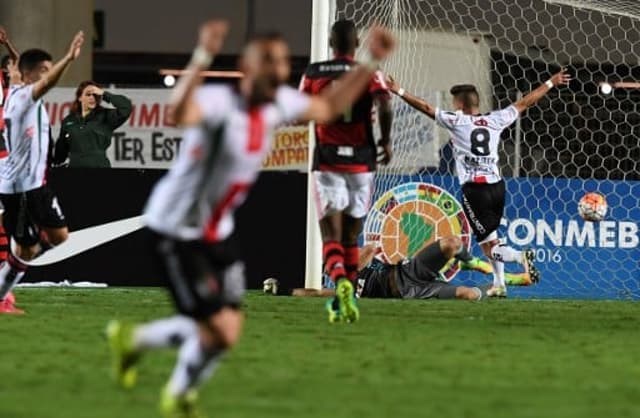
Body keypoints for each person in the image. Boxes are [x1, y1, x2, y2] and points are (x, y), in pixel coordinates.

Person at [105, 20, 395, 418]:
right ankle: (167, 383)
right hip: (175, 229)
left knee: (228, 331)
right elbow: (177, 112)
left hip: (217, 231)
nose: (276, 68)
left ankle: (144, 353)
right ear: (247, 65)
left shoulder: (279, 103)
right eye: (267, 60)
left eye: (280, 62)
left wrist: (371, 60)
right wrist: (203, 55)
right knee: (216, 328)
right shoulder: (218, 102)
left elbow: (327, 107)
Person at [385, 69, 571, 297]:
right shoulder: (496, 119)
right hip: (498, 187)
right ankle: (499, 284)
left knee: (488, 246)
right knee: (493, 237)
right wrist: (551, 83)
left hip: (475, 191)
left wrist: (399, 90)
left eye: (454, 102)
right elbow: (524, 103)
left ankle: (519, 256)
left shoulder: (457, 121)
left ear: (460, 104)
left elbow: (425, 107)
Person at [299, 19, 393, 323]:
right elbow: (385, 103)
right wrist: (386, 141)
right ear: (356, 45)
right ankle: (347, 296)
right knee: (352, 237)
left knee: (331, 236)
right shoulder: (368, 72)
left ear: (329, 42)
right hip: (361, 162)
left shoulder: (314, 73)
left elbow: (302, 111)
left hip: (327, 161)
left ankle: (339, 282)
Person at [0, 31, 85, 314]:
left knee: (59, 237)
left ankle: (20, 252)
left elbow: (17, 66)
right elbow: (46, 81)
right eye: (44, 70)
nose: (48, 75)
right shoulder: (24, 97)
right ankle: (2, 294)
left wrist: (10, 46)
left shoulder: (16, 87)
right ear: (31, 76)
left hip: (36, 184)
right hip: (20, 189)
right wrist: (70, 58)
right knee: (26, 252)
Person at [294, 238, 533, 300]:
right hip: (411, 293)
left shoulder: (356, 261)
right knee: (468, 295)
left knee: (451, 243)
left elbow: (371, 247)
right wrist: (281, 290)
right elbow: (313, 293)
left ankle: (474, 262)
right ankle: (506, 284)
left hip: (408, 271)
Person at [53, 80, 132, 168]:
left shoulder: (105, 116)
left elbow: (126, 108)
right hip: (75, 172)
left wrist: (104, 93)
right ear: (80, 97)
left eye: (95, 95)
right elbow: (61, 151)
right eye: (88, 94)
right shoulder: (68, 121)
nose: (92, 98)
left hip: (99, 170)